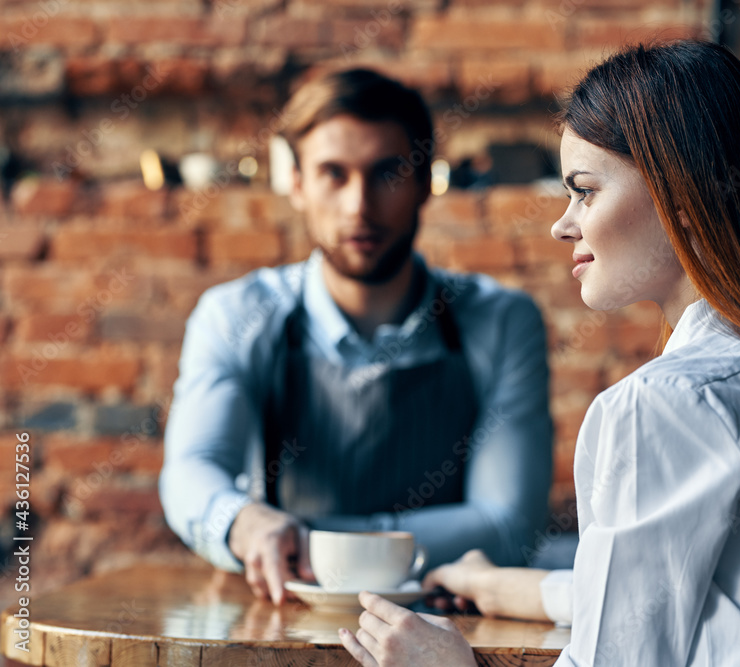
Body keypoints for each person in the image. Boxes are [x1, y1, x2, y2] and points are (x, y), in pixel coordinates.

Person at [337, 40, 740, 666]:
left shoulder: (668, 405)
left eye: (585, 190)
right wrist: (506, 587)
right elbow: (725, 602)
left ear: (683, 198)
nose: (561, 224)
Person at [159, 66, 554, 605]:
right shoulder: (235, 315)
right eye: (333, 174)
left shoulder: (502, 320)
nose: (359, 206)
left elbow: (509, 526)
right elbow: (192, 468)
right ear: (295, 184)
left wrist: (309, 539)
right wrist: (245, 524)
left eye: (387, 172)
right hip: (281, 623)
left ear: (424, 183)